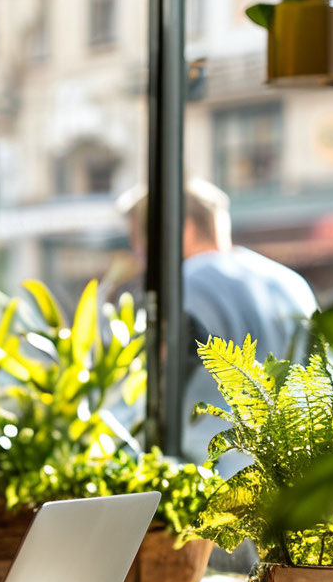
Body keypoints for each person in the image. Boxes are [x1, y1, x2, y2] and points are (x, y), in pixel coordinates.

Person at [119, 177, 319, 464]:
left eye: (141, 246)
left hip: (218, 485)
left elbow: (150, 397)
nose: (141, 261)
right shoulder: (291, 283)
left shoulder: (181, 289)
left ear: (181, 230)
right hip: (300, 474)